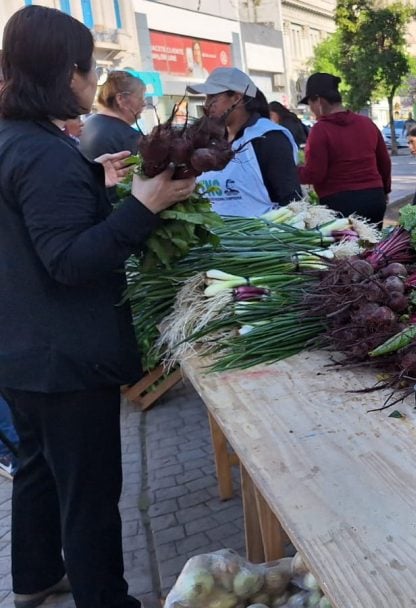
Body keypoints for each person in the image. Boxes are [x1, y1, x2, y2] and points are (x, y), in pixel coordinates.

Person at [0, 7, 197, 608]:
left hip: (21, 349)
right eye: (89, 69)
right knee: (88, 491)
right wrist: (143, 206)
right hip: (65, 357)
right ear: (68, 73)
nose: (93, 81)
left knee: (37, 465)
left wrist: (96, 186)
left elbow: (34, 232)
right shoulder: (42, 153)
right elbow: (67, 260)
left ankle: (34, 577)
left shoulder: (17, 141)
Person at [188, 67, 301, 217]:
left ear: (236, 98)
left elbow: (291, 201)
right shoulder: (211, 140)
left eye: (212, 96)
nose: (207, 104)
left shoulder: (269, 138)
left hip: (262, 237)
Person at [297, 73, 391, 227]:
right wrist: (385, 190)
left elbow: (315, 174)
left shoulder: (320, 130)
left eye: (310, 104)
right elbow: (384, 162)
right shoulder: (366, 123)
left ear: (318, 100)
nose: (311, 110)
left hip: (339, 203)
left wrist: (292, 171)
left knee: (346, 249)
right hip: (374, 198)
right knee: (373, 248)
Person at [80, 70, 146, 161]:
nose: (144, 103)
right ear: (121, 99)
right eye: (140, 98)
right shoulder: (128, 137)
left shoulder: (86, 124)